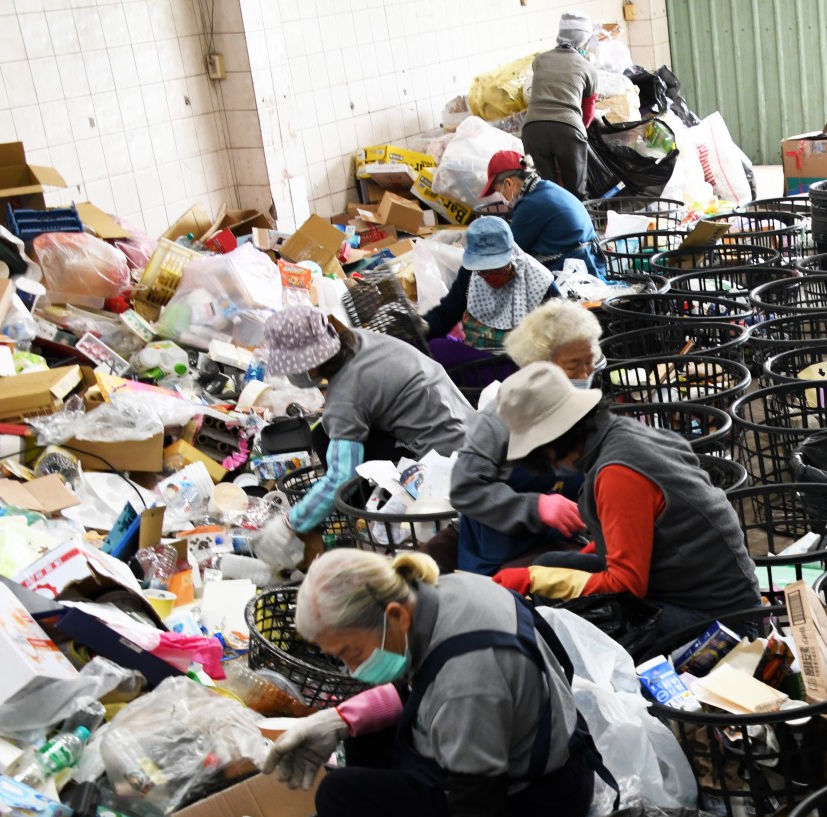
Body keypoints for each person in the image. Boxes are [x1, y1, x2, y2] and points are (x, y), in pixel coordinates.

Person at [261, 549, 608, 817]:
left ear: (394, 616)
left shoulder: (469, 682)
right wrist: (336, 721)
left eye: (350, 654)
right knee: (365, 740)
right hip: (543, 749)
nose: (352, 671)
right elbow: (420, 684)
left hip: (536, 798)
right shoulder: (446, 592)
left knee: (341, 797)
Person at [487, 365, 760, 635]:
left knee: (559, 609)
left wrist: (534, 580)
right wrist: (603, 546)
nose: (552, 466)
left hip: (722, 621)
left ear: (554, 440)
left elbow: (625, 586)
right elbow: (653, 523)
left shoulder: (618, 471)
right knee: (550, 563)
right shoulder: (620, 432)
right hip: (686, 586)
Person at [252, 306, 471, 572]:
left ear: (312, 365)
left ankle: (374, 531)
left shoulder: (347, 394)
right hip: (465, 426)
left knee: (328, 441)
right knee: (325, 432)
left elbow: (341, 477)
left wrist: (290, 523)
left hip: (443, 462)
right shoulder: (356, 340)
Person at [448, 359, 598, 576]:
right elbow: (465, 491)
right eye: (574, 367)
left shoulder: (578, 415)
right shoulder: (498, 422)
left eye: (589, 367)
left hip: (560, 541)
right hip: (498, 558)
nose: (584, 377)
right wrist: (536, 507)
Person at [422, 215, 556, 351]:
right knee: (434, 347)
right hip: (477, 356)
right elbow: (448, 312)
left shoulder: (540, 282)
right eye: (483, 272)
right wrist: (425, 326)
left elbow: (558, 334)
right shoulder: (471, 275)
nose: (490, 277)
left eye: (498, 270)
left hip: (519, 362)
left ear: (512, 258)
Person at [483, 150, 607, 278]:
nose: (502, 196)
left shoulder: (529, 204)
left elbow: (509, 250)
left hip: (570, 270)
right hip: (590, 263)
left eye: (500, 191)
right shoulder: (546, 188)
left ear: (508, 183)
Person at [520, 12, 599, 200]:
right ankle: (585, 229)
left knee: (545, 193)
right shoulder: (588, 68)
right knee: (577, 194)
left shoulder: (539, 61)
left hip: (532, 130)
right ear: (584, 41)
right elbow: (588, 113)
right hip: (568, 129)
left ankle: (551, 229)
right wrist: (579, 132)